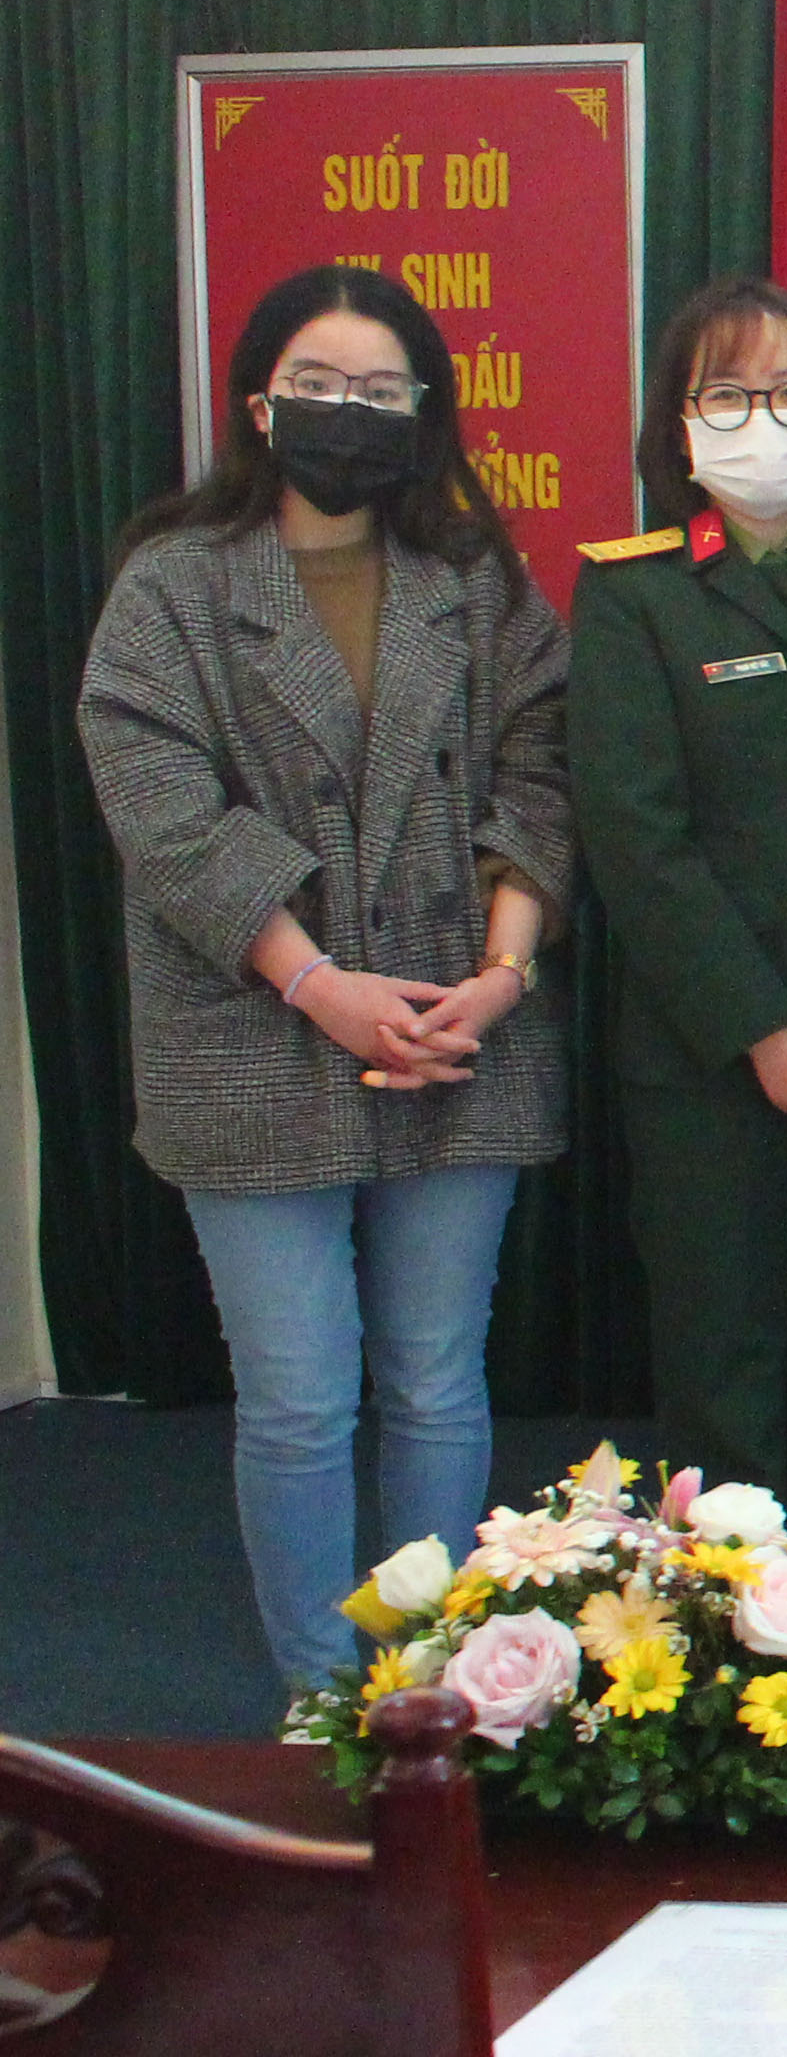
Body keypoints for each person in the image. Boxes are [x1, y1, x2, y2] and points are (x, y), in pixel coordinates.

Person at [80, 263, 571, 1691]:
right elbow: (163, 812)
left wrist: (502, 972)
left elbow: (543, 777)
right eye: (317, 384)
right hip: (252, 1030)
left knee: (436, 1381)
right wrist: (316, 982)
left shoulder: (479, 580)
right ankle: (320, 1703)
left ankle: (434, 1688)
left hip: (457, 1023)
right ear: (259, 402)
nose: (345, 411)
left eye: (377, 389)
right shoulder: (173, 581)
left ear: (423, 411)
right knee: (298, 1399)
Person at [567, 278, 787, 1503]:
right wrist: (764, 1028)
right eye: (727, 395)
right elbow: (638, 842)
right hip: (713, 1059)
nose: (764, 420)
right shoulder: (634, 590)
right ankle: (727, 1613)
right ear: (678, 423)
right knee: (724, 1371)